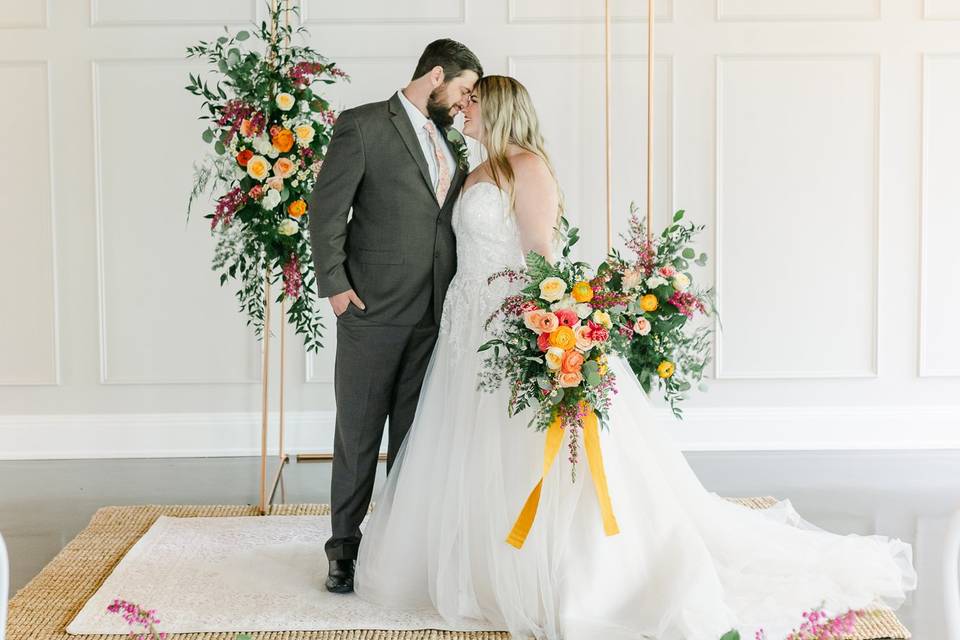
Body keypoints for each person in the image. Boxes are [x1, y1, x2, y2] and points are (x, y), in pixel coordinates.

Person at [352, 75, 917, 639]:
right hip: (465, 323)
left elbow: (542, 258)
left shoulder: (528, 168)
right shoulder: (475, 169)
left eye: (473, 101)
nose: (461, 108)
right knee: (468, 441)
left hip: (514, 321)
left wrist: (551, 336)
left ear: (499, 108)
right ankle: (470, 561)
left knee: (518, 444)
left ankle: (548, 571)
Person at [307, 38, 482, 594]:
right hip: (371, 309)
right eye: (463, 90)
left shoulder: (454, 140)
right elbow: (326, 211)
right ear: (435, 76)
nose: (464, 103)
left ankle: (393, 548)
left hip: (435, 312)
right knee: (358, 435)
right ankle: (343, 549)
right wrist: (335, 288)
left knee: (412, 440)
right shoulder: (362, 125)